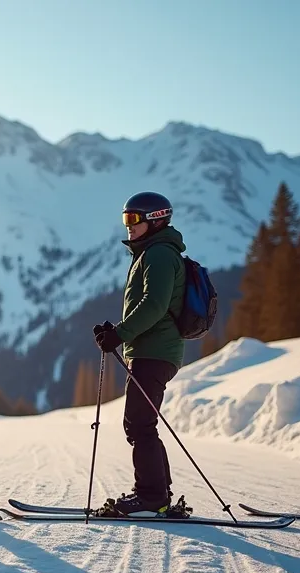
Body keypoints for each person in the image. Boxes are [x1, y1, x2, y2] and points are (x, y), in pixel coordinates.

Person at [92, 191, 187, 517]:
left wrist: (120, 334)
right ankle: (159, 493)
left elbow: (154, 305)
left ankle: (151, 497)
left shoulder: (158, 254)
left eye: (134, 219)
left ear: (156, 220)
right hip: (152, 350)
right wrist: (118, 332)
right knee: (141, 423)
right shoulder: (152, 252)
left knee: (139, 424)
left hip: (155, 351)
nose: (128, 226)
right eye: (125, 219)